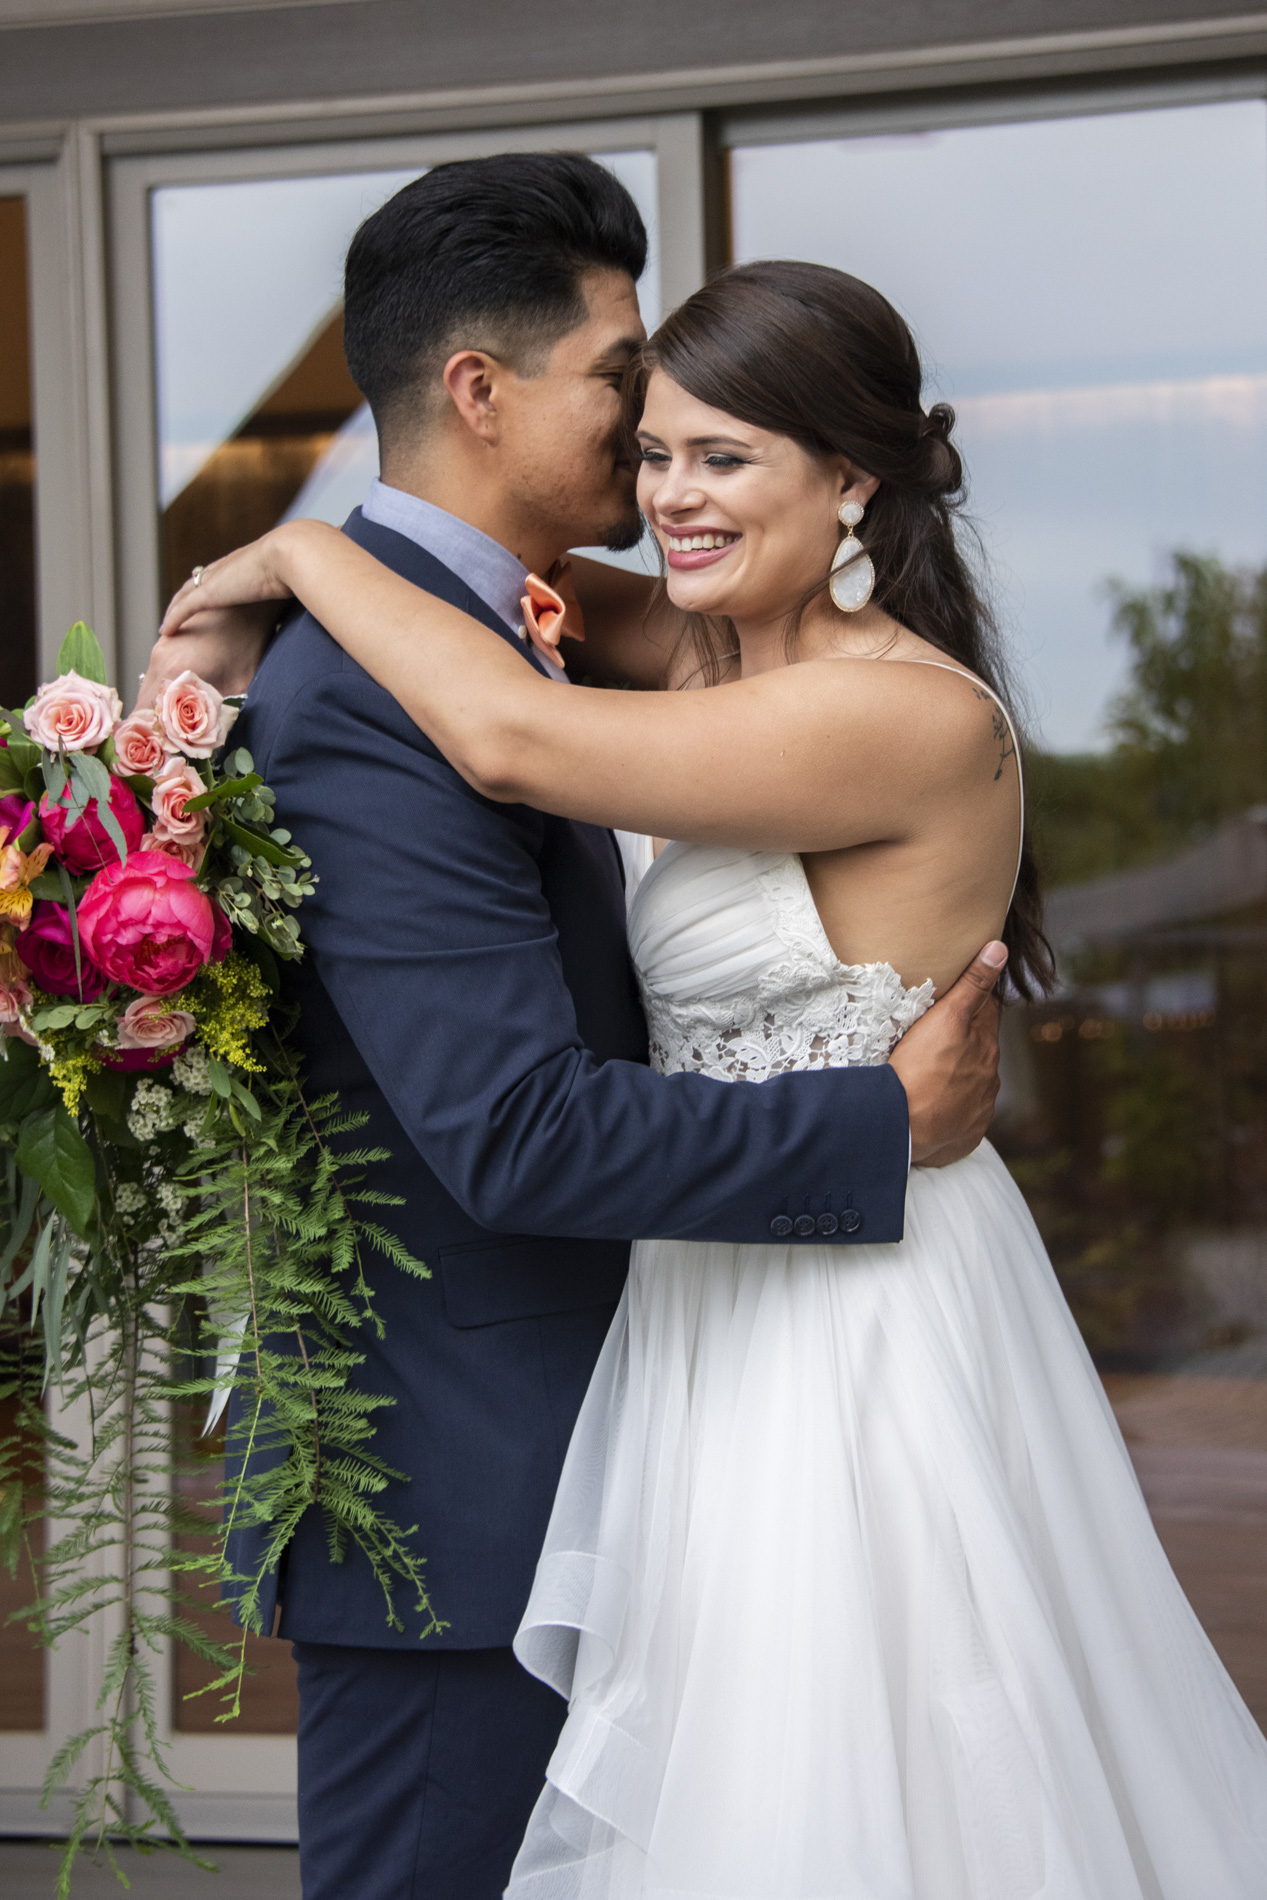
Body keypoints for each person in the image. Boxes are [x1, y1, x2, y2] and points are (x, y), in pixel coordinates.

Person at [166, 254, 1267, 1896]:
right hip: (705, 1307)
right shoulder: (708, 655)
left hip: (848, 1320)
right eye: (656, 446)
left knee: (854, 1779)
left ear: (854, 481)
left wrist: (304, 545)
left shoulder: (896, 715)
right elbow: (493, 608)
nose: (666, 494)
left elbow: (506, 733)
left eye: (726, 457)